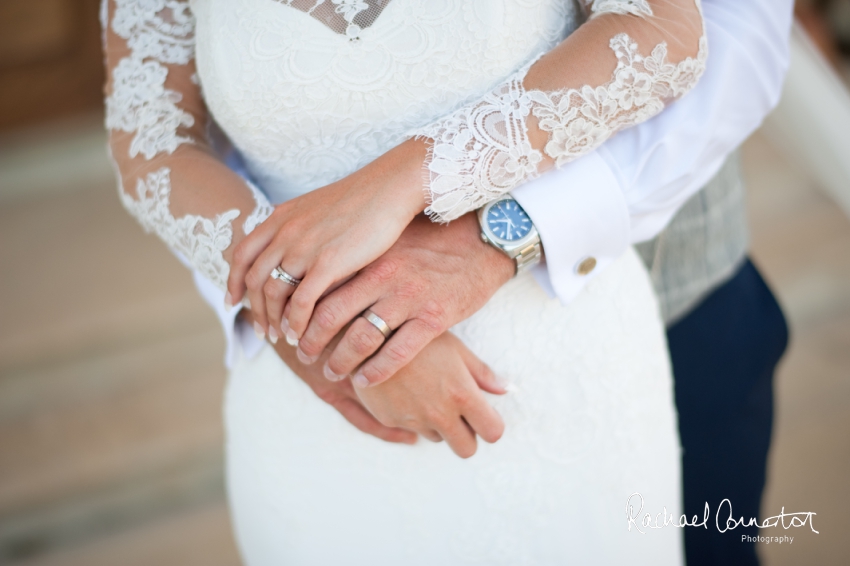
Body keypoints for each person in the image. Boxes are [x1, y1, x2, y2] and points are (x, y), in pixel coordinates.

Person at [101, 0, 790, 563]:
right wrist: (317, 321)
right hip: (313, 412)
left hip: (570, 369)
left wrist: (406, 179)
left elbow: (669, 35)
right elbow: (154, 142)